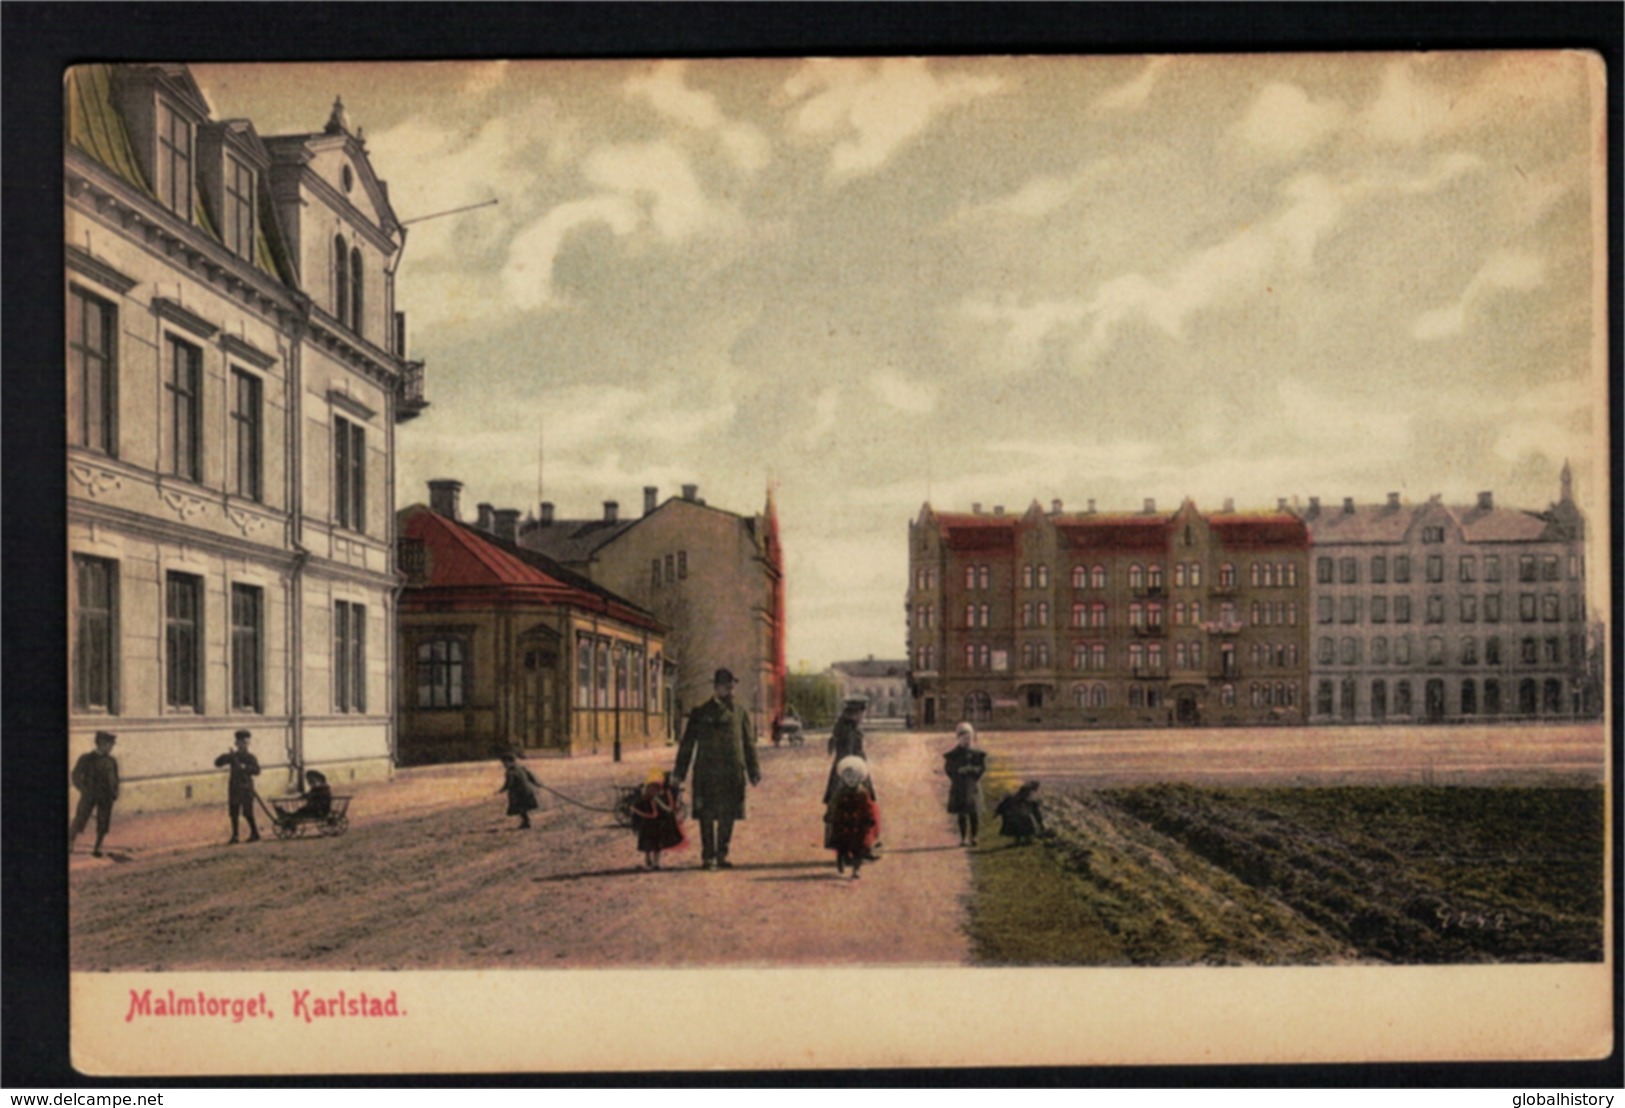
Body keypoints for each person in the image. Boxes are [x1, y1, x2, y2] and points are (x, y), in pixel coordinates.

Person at [673, 667, 761, 870]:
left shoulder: (740, 712)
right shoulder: (701, 712)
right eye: (725, 686)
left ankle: (722, 854)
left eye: (732, 686)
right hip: (707, 773)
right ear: (716, 687)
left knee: (728, 816)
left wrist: (753, 770)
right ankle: (708, 856)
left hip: (732, 773)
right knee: (707, 816)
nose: (730, 690)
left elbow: (748, 743)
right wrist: (679, 773)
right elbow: (687, 745)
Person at [824, 755, 880, 879]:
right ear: (843, 778)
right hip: (843, 823)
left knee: (859, 848)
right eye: (848, 777)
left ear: (860, 778)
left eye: (854, 777)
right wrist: (829, 815)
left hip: (857, 824)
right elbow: (833, 805)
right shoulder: (839, 793)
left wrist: (870, 819)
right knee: (842, 844)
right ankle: (841, 858)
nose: (851, 780)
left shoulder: (862, 793)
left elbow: (868, 807)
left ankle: (856, 869)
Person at [70, 730, 120, 857]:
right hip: (89, 795)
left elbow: (115, 777)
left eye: (112, 745)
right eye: (109, 744)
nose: (111, 747)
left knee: (103, 821)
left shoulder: (111, 761)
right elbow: (75, 775)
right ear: (101, 743)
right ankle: (70, 842)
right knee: (80, 818)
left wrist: (115, 791)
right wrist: (83, 789)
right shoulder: (87, 758)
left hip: (106, 796)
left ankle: (98, 847)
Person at [628, 767, 685, 869]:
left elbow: (666, 810)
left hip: (656, 823)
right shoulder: (651, 796)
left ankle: (653, 861)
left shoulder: (663, 794)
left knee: (654, 844)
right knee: (651, 844)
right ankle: (651, 860)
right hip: (651, 824)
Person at [943, 721, 988, 847]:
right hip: (959, 787)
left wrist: (973, 771)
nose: (966, 741)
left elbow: (982, 768)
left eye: (969, 738)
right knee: (961, 814)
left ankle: (974, 836)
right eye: (963, 738)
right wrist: (958, 772)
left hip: (972, 786)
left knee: (974, 813)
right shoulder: (953, 755)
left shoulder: (977, 754)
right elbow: (949, 769)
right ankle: (963, 838)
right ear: (958, 739)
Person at [823, 697, 874, 804]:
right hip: (852, 769)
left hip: (845, 768)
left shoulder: (845, 726)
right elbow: (849, 755)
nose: (863, 716)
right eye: (862, 713)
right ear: (856, 713)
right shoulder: (849, 730)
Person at [214, 730, 262, 844]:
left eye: (246, 742)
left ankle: (255, 833)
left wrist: (246, 767)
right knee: (234, 812)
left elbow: (257, 770)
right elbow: (217, 763)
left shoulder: (251, 757)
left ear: (248, 744)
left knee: (247, 812)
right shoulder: (233, 756)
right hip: (235, 788)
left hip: (246, 788)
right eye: (241, 742)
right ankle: (235, 835)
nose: (243, 745)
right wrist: (226, 757)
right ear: (236, 743)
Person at [496, 753, 542, 829]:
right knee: (523, 808)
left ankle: (526, 822)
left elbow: (509, 783)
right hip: (527, 791)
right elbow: (530, 776)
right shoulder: (522, 768)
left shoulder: (510, 772)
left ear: (510, 762)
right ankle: (526, 821)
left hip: (519, 793)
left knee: (520, 808)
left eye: (505, 763)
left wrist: (502, 790)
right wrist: (536, 783)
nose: (504, 765)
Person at [995, 780, 1046, 846]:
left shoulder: (1012, 798)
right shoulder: (1030, 800)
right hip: (1020, 818)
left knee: (1019, 823)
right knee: (1025, 822)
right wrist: (1041, 824)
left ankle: (1019, 840)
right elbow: (1037, 813)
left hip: (1014, 818)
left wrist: (998, 813)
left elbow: (1002, 806)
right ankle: (1027, 839)